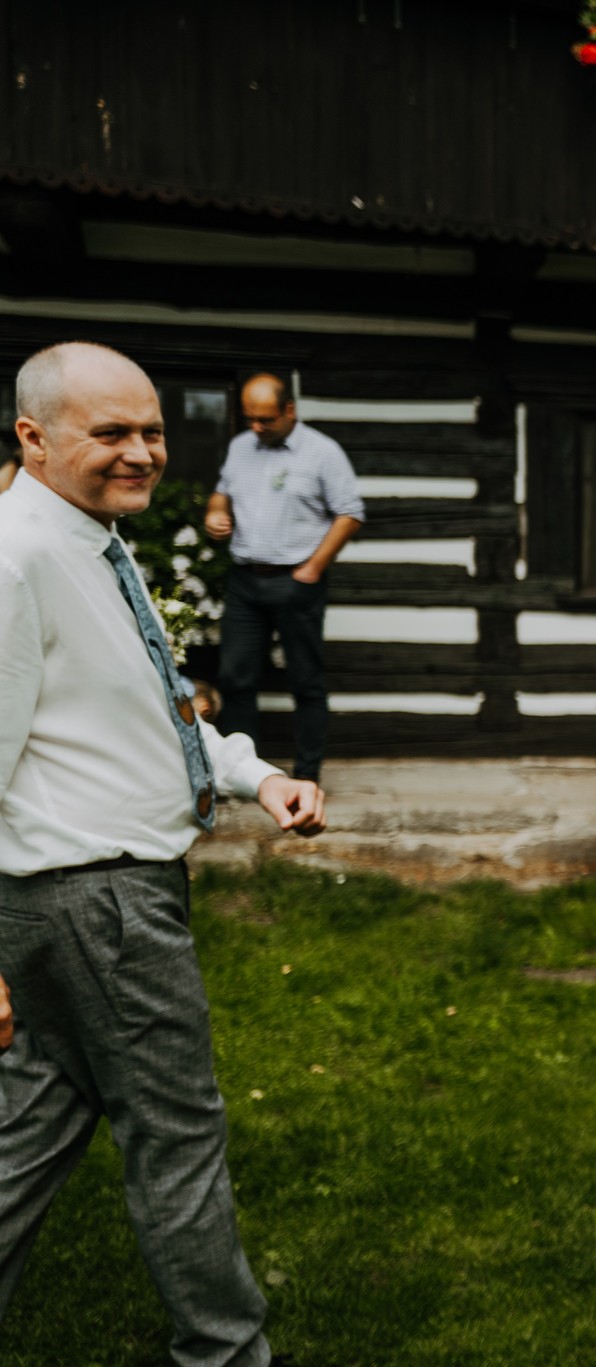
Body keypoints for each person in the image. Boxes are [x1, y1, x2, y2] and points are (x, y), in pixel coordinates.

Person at [0, 341, 329, 1367]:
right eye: (111, 432)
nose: (142, 452)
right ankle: (227, 1353)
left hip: (82, 900)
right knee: (176, 1135)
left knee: (38, 1121)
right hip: (99, 902)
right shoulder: (16, 559)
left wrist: (253, 775)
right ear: (33, 437)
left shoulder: (91, 537)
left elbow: (145, 712)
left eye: (151, 430)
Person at [206, 373, 364, 782]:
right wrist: (215, 512)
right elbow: (222, 491)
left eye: (266, 419)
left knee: (305, 680)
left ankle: (306, 776)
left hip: (295, 582)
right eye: (250, 418)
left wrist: (311, 570)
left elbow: (350, 513)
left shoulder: (323, 452)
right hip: (244, 580)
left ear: (289, 410)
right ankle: (244, 774)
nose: (256, 427)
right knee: (235, 677)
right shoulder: (241, 447)